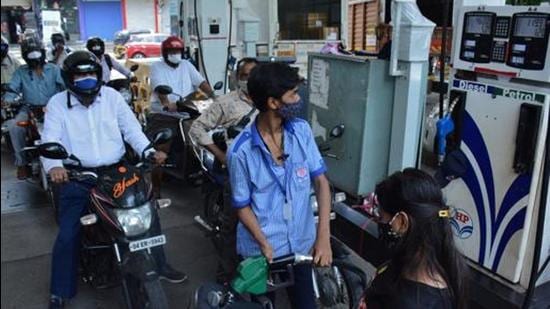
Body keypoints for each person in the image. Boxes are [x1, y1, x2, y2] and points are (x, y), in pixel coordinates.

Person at [41, 51, 187, 309]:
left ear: (99, 75)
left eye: (90, 73)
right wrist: (54, 167)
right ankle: (60, 291)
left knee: (148, 215)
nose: (86, 79)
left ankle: (160, 265)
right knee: (68, 233)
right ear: (69, 78)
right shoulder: (57, 104)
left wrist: (148, 151)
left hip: (117, 172)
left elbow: (131, 129)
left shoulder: (112, 97)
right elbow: (50, 138)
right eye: (80, 75)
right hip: (78, 176)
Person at [227, 62, 332, 308]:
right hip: (262, 254)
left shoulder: (302, 132)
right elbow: (242, 206)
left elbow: (321, 182)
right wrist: (264, 243)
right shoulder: (240, 152)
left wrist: (323, 236)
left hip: (300, 246)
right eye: (293, 94)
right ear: (273, 103)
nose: (298, 99)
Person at [359, 168, 468, 309]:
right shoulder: (413, 264)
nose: (378, 222)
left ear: (402, 222)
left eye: (381, 217)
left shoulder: (412, 302)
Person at [148, 35, 213, 197]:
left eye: (178, 51)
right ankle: (155, 191)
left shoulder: (186, 65)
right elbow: (160, 89)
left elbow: (201, 83)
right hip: (164, 114)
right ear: (165, 53)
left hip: (188, 110)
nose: (175, 54)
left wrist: (213, 95)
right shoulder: (157, 67)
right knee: (161, 149)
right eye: (172, 51)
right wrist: (166, 103)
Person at [3, 37, 65, 179]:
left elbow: (66, 86)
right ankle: (22, 163)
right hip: (29, 108)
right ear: (25, 56)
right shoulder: (21, 72)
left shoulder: (54, 69)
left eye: (37, 53)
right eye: (31, 55)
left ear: (42, 53)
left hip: (53, 108)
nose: (35, 58)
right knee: (14, 127)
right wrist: (7, 100)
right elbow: (12, 89)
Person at [189, 57, 258, 165]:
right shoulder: (225, 102)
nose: (249, 79)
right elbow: (197, 128)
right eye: (244, 75)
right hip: (239, 163)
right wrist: (220, 155)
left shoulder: (271, 100)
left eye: (253, 74)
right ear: (237, 77)